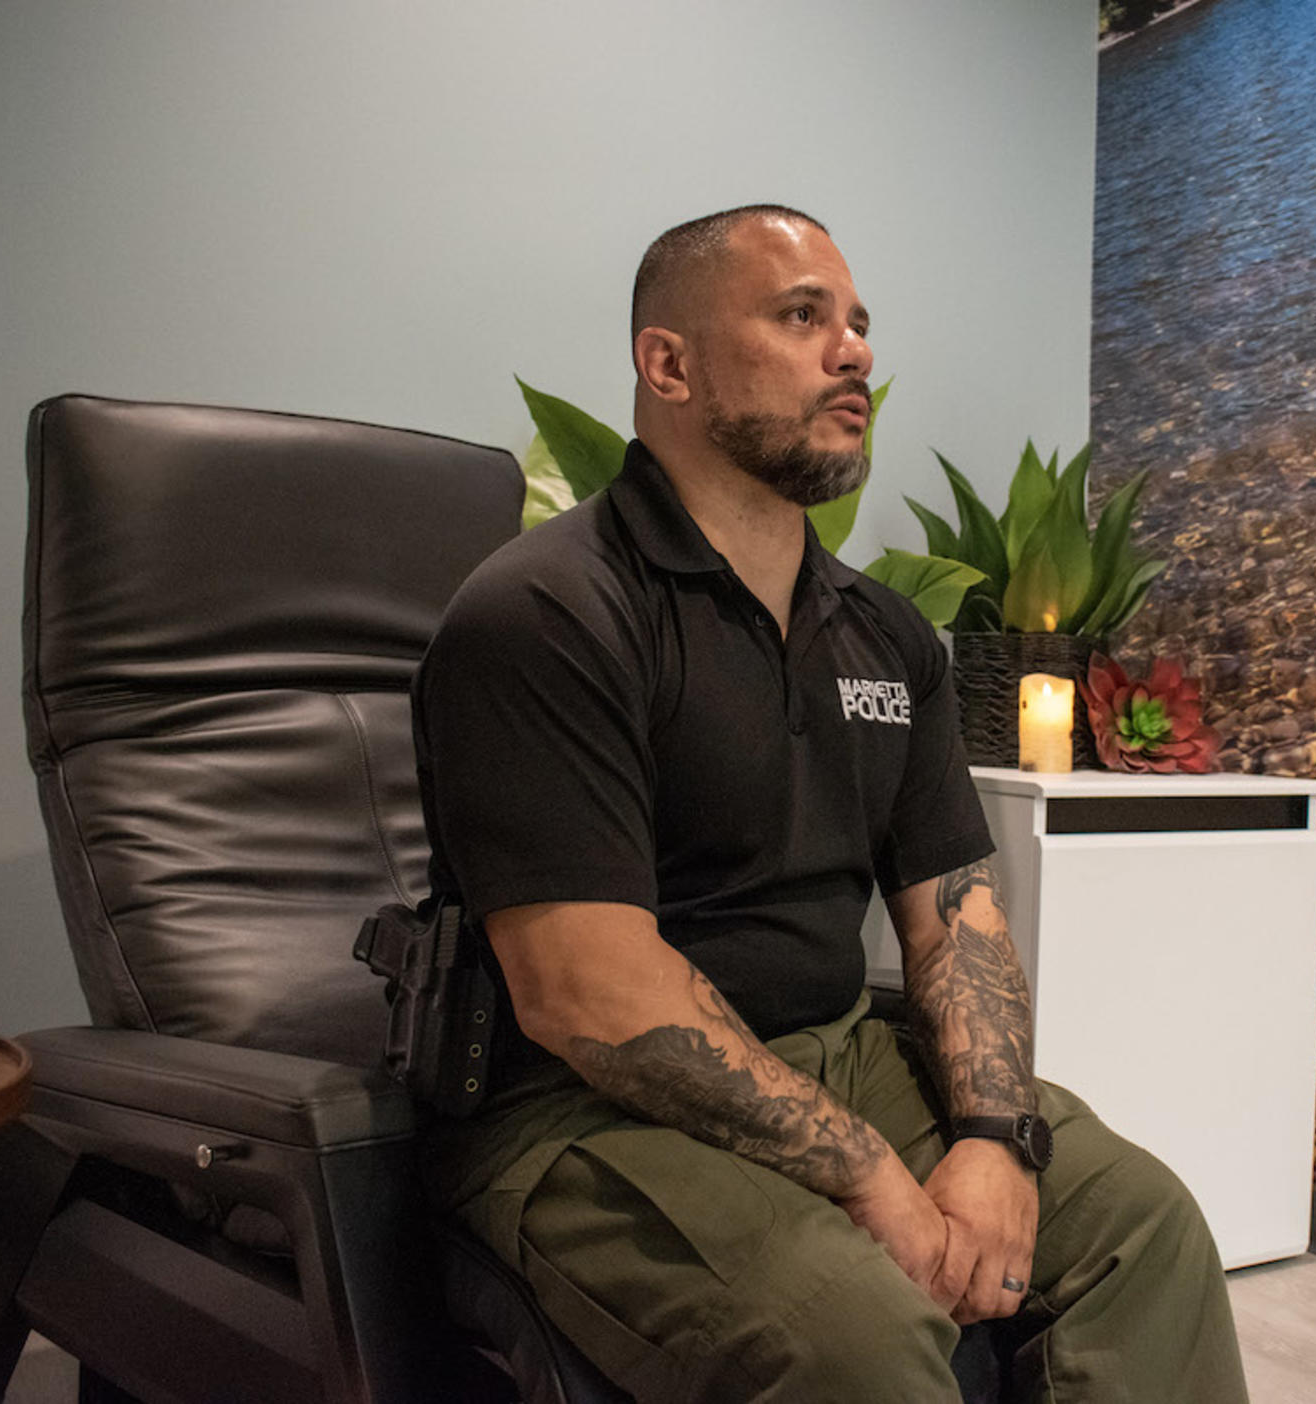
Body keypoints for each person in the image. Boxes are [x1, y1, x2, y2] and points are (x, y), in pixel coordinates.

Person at [411, 203, 1249, 1403]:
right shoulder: (548, 614)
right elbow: (585, 992)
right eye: (802, 316)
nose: (852, 350)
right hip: (583, 1114)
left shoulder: (887, 635)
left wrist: (994, 1142)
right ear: (670, 364)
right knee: (849, 1333)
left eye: (856, 324)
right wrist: (871, 1178)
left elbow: (956, 915)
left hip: (841, 1059)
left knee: (1146, 1227)